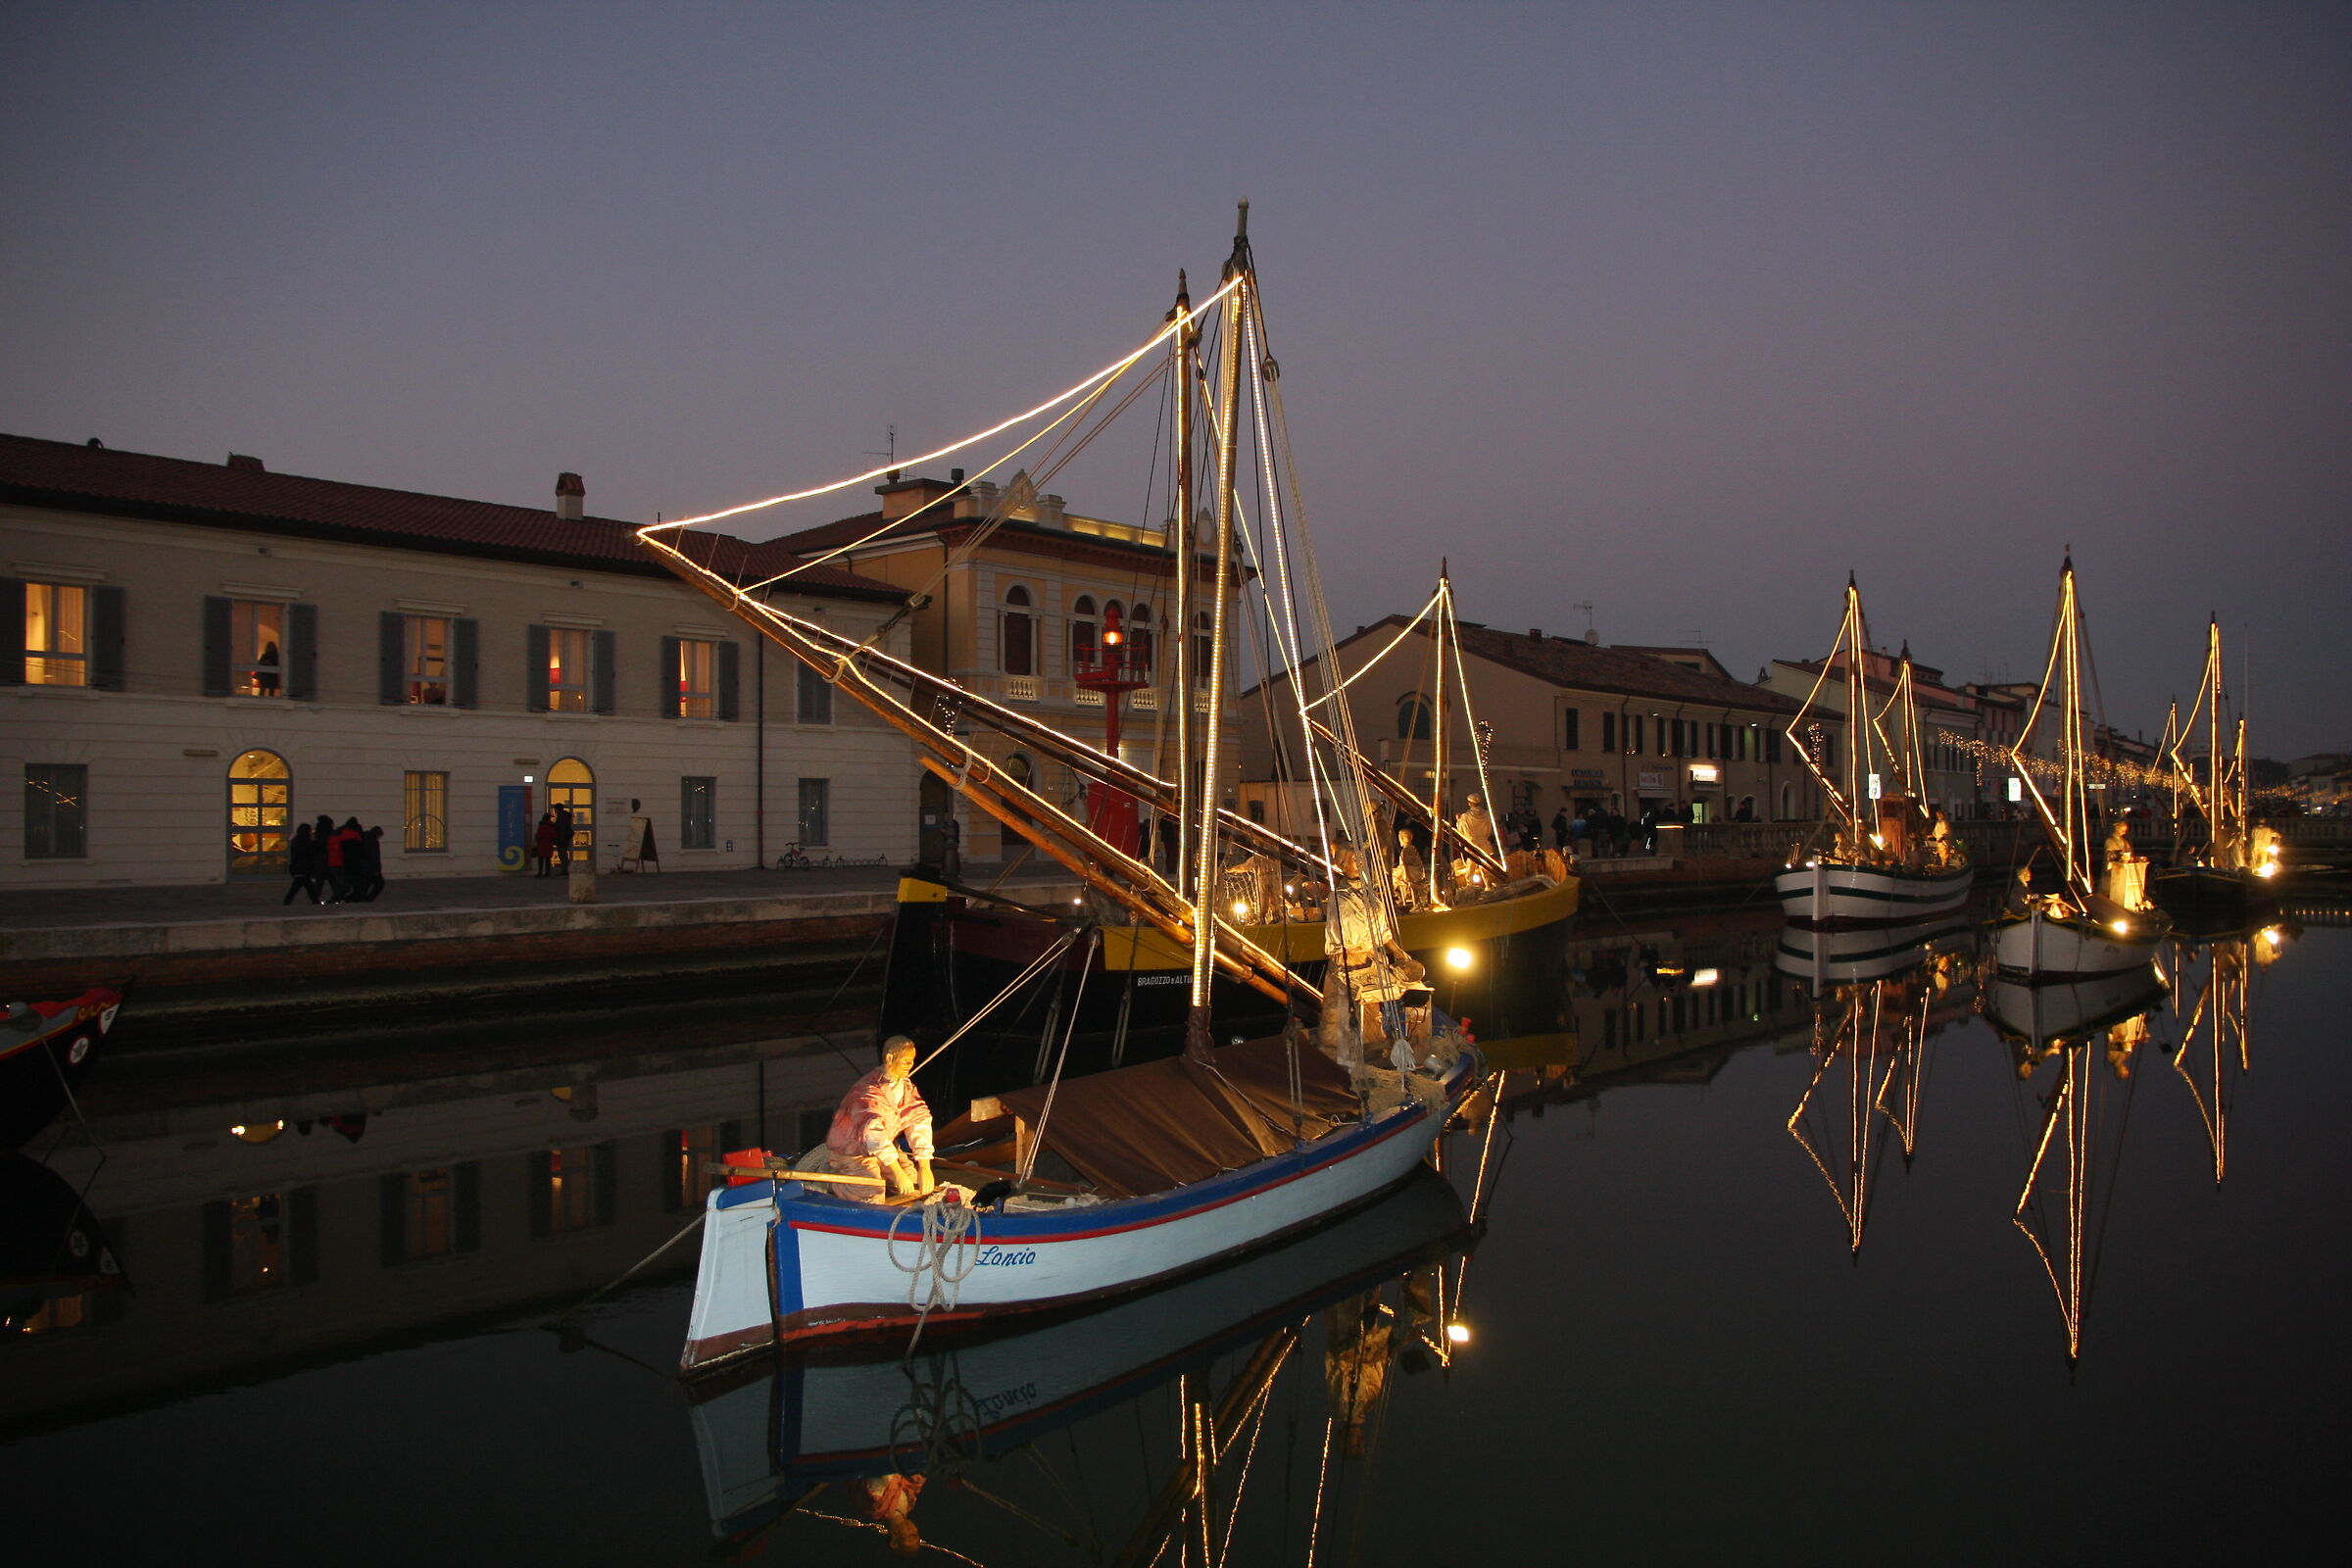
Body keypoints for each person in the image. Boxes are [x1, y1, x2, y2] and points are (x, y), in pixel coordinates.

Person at [825, 1035, 936, 1201]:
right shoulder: (867, 1092)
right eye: (906, 1061)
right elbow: (873, 1133)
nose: (911, 1065)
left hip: (884, 1147)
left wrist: (924, 1166)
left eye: (912, 1060)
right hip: (854, 1152)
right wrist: (897, 1171)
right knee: (872, 1191)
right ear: (890, 1058)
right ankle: (832, 1186)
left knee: (912, 1183)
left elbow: (918, 1119)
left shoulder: (905, 1087)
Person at [282, 821, 324, 905]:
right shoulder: (306, 842)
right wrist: (314, 841)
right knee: (302, 887)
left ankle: (315, 902)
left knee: (305, 887)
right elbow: (315, 851)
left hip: (299, 868)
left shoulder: (296, 841)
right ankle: (287, 902)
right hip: (304, 868)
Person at [353, 825, 386, 901]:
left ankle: (360, 898)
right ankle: (367, 899)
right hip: (370, 867)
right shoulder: (373, 841)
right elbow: (374, 856)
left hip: (361, 866)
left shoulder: (363, 837)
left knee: (364, 885)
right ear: (377, 834)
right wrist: (377, 869)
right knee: (379, 883)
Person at [531, 811, 559, 877]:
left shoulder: (542, 826)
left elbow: (538, 835)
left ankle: (540, 872)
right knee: (548, 860)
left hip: (541, 844)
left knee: (540, 859)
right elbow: (554, 835)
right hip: (549, 844)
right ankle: (547, 873)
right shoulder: (552, 826)